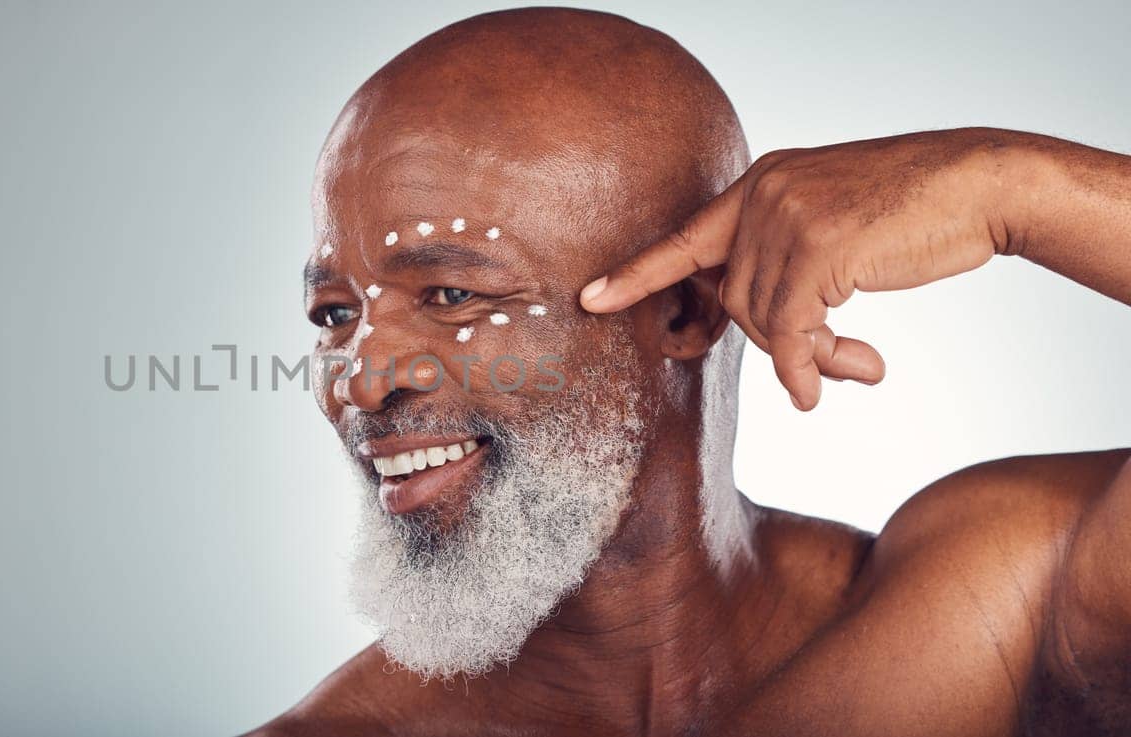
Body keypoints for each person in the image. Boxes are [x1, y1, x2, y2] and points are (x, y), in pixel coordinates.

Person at [251, 7, 1131, 736]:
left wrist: (1009, 188)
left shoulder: (979, 620)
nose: (359, 381)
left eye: (448, 293)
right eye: (335, 314)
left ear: (684, 311)